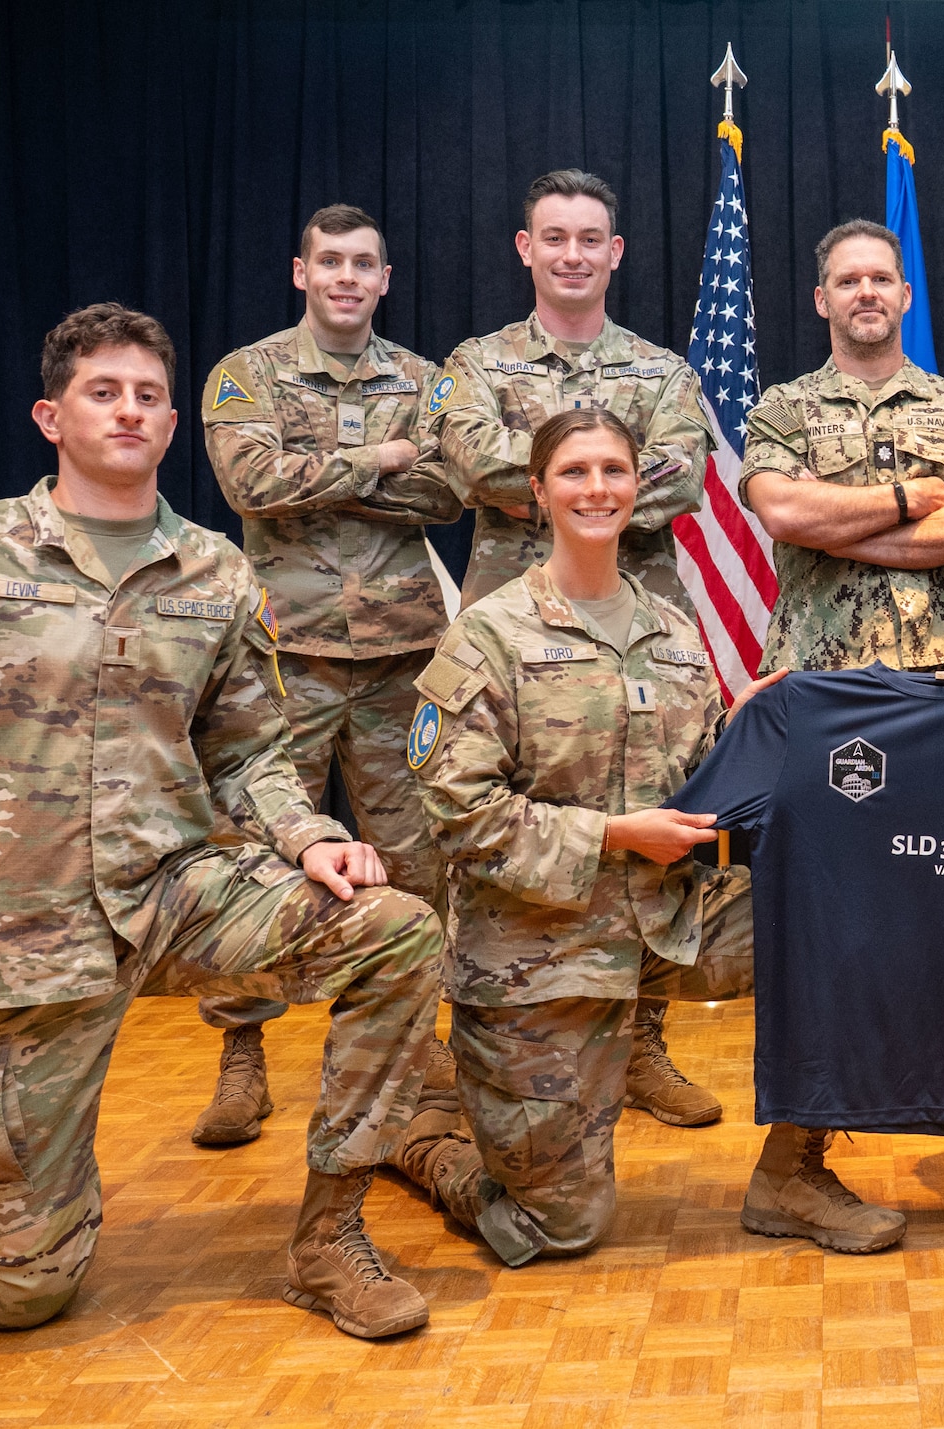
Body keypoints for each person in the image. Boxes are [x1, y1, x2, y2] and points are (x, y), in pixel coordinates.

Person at [0, 304, 444, 1340]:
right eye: (104, 392)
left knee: (396, 928)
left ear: (172, 419)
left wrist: (309, 837)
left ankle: (330, 1236)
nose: (131, 410)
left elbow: (249, 754)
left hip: (171, 890)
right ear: (50, 416)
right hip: (11, 938)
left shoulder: (216, 573)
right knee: (21, 1293)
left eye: (149, 394)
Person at [391, 408, 776, 1266]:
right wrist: (610, 835)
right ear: (537, 492)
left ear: (639, 488)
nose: (596, 488)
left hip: (663, 922)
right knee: (559, 1224)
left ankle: (798, 1168)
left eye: (613, 470)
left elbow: (698, 779)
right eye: (574, 472)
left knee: (829, 923)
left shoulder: (674, 634)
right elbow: (456, 811)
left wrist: (745, 725)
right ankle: (425, 1141)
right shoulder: (490, 633)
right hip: (539, 948)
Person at [730, 218, 944, 1253]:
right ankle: (791, 1170)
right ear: (821, 300)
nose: (862, 292)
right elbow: (780, 513)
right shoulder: (780, 408)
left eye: (879, 278)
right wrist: (901, 502)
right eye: (844, 278)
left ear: (904, 295)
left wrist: (842, 521)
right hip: (823, 697)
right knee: (835, 930)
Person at [429, 169, 717, 1126]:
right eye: (554, 237)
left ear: (615, 252)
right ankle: (504, 1019)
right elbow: (468, 462)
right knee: (518, 814)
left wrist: (550, 472)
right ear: (526, 248)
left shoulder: (664, 370)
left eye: (590, 238)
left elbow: (679, 481)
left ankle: (643, 1042)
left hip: (644, 626)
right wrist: (601, 475)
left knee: (653, 823)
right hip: (522, 624)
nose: (572, 254)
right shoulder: (476, 361)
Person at [194, 203, 462, 1148]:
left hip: (402, 660)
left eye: (365, 263)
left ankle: (418, 1033)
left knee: (421, 853)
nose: (347, 276)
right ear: (300, 272)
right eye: (330, 261)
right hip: (282, 658)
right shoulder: (247, 375)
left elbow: (452, 487)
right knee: (256, 855)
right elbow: (248, 483)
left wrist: (340, 469)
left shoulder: (429, 382)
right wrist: (383, 459)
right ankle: (242, 1053)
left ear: (386, 279)